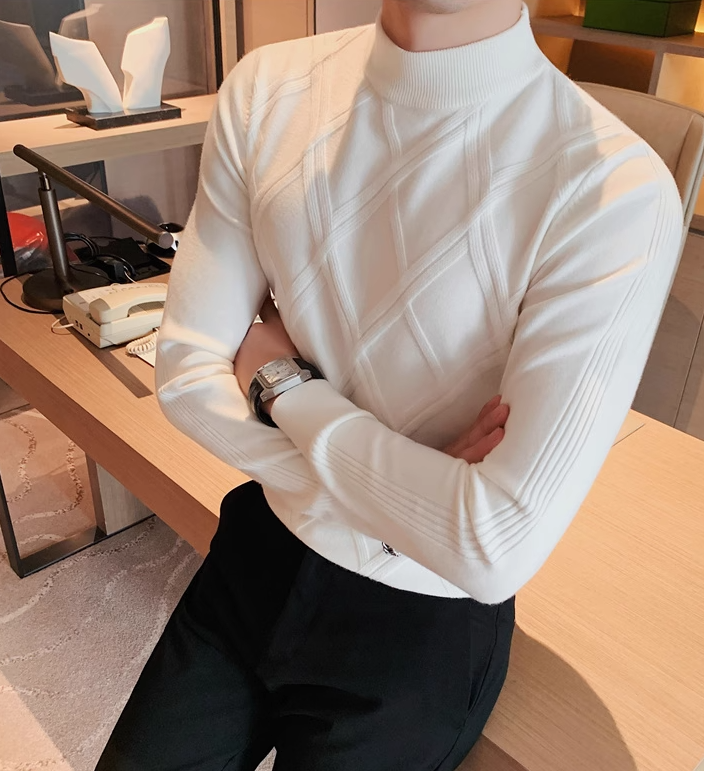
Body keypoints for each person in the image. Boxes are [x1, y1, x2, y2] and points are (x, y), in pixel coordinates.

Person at [95, 0, 684, 768]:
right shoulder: (266, 87)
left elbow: (490, 544)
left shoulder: (618, 188)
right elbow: (184, 372)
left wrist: (280, 383)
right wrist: (411, 493)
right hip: (261, 546)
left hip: (418, 619)